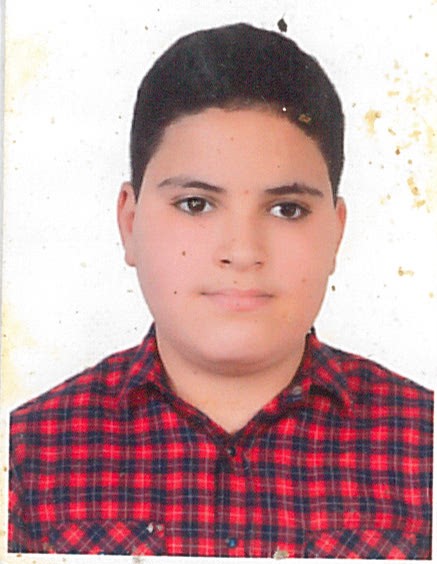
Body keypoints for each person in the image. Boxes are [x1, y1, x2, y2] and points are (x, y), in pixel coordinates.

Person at [8, 23, 432, 559]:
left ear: (336, 232)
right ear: (130, 222)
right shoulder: (27, 454)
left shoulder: (423, 446)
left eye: (287, 209)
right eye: (196, 204)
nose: (242, 251)